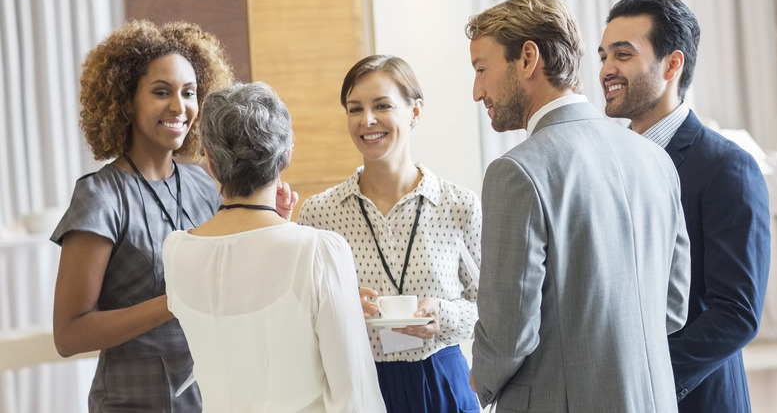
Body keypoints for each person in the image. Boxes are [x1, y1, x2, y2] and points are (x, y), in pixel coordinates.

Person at [50, 20, 296, 412]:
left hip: (213, 395)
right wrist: (176, 301)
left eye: (189, 92)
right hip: (132, 400)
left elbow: (231, 275)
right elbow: (69, 335)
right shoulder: (101, 196)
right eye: (161, 92)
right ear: (125, 101)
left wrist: (271, 219)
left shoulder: (202, 183)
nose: (179, 107)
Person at [465, 0, 691, 412]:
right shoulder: (655, 157)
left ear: (528, 58)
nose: (477, 91)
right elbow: (673, 306)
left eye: (482, 69)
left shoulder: (517, 171)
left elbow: (509, 332)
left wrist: (477, 378)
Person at [161, 81, 385, 412]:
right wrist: (283, 230)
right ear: (287, 155)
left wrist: (279, 226)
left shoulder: (176, 250)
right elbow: (355, 395)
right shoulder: (319, 251)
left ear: (209, 161)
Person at [599, 0, 771, 412]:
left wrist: (642, 377)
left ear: (672, 64)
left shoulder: (727, 166)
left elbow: (736, 313)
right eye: (603, 55)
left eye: (622, 54)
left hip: (695, 399)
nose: (606, 70)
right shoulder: (606, 162)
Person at [297, 55, 482, 413]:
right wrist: (343, 306)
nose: (367, 120)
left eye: (382, 105)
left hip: (441, 378)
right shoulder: (319, 213)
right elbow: (300, 314)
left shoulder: (459, 205)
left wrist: (441, 315)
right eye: (355, 109)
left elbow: (491, 310)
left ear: (415, 111)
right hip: (359, 382)